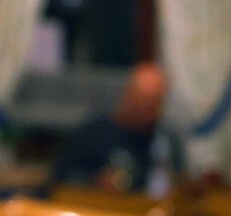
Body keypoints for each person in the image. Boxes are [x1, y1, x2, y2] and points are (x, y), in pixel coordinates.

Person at [51, 62, 183, 196]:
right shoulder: (93, 134)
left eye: (154, 104)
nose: (146, 110)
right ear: (128, 94)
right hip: (102, 211)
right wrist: (94, 183)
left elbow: (179, 181)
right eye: (142, 101)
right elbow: (61, 180)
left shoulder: (166, 139)